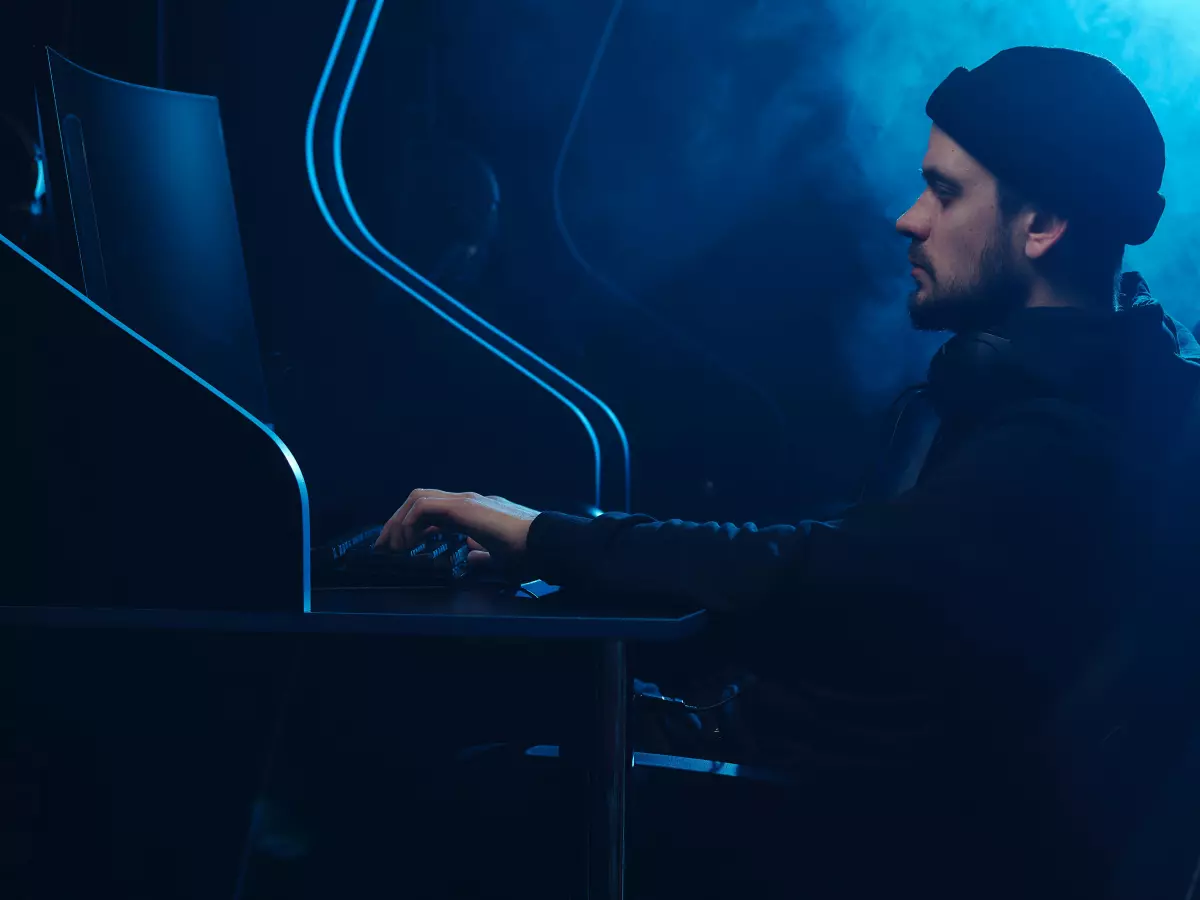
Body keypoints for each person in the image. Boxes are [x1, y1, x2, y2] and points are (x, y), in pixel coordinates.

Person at [378, 47, 1200, 897]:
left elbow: (812, 569)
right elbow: (852, 553)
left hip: (865, 835)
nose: (908, 219)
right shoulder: (1079, 400)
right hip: (851, 794)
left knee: (461, 777)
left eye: (945, 192)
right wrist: (556, 547)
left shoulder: (1063, 444)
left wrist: (542, 534)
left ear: (1041, 226)